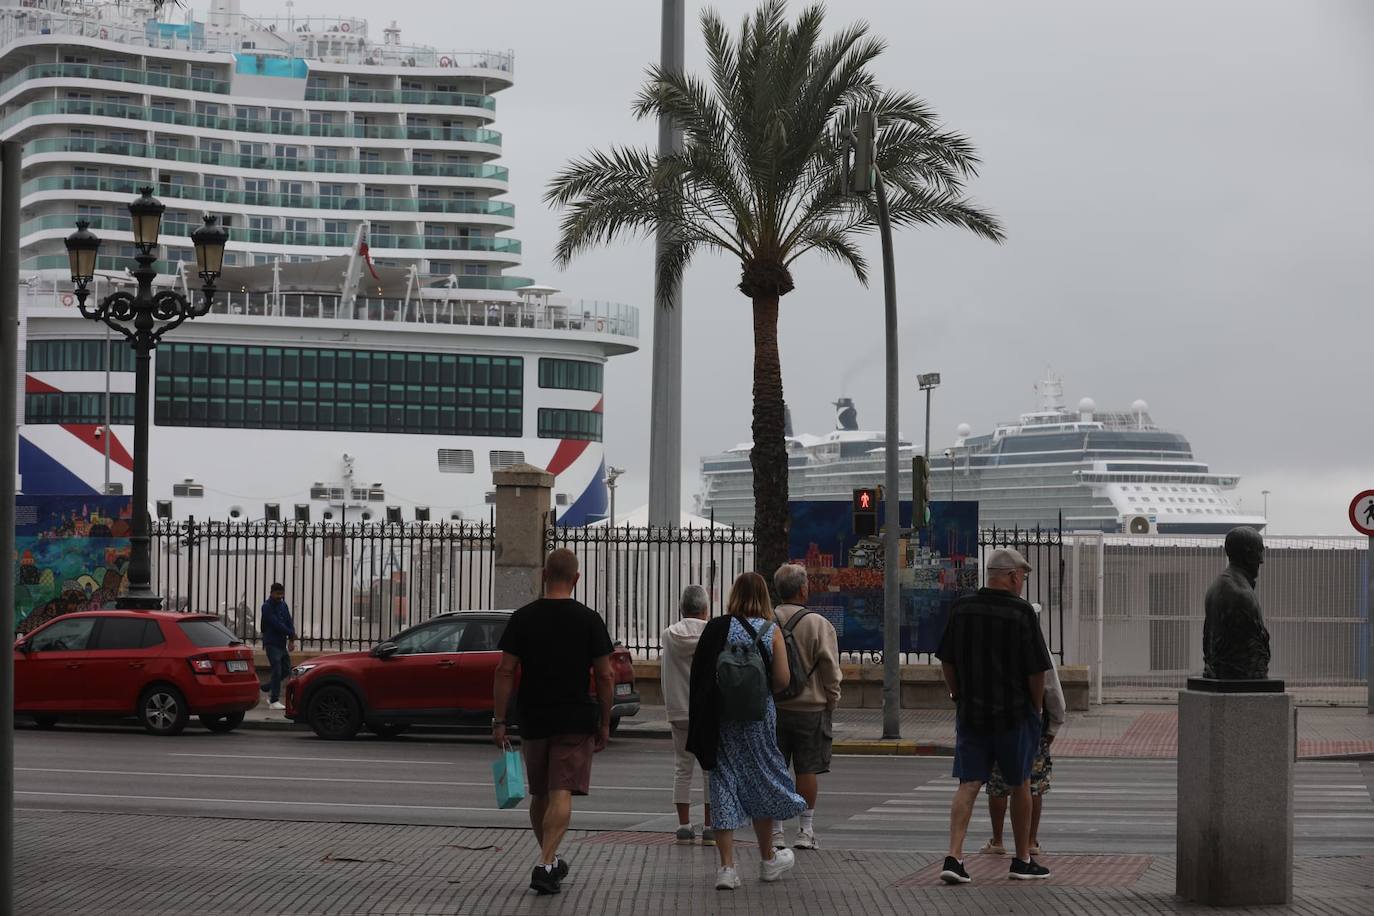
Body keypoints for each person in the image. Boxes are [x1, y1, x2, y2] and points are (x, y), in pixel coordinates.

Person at [492, 549, 614, 896]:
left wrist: (499, 720)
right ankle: (546, 863)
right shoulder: (589, 620)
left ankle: (549, 858)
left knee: (540, 793)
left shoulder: (523, 618)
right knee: (561, 792)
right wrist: (605, 720)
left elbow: (504, 670)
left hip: (533, 715)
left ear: (544, 574)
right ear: (576, 579)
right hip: (575, 717)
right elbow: (605, 675)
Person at [936, 548, 1053, 884]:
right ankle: (1021, 859)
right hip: (1014, 715)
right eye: (1023, 577)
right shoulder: (1021, 612)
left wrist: (957, 694)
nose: (1022, 583)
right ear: (1013, 576)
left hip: (972, 713)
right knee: (1020, 784)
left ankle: (954, 857)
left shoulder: (962, 608)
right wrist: (1036, 708)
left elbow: (947, 659)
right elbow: (1036, 670)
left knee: (968, 783)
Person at [687, 572, 806, 891]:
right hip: (758, 718)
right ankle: (768, 860)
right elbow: (782, 679)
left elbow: (700, 674)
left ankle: (727, 868)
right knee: (762, 780)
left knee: (723, 782)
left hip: (723, 718)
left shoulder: (718, 628)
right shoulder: (771, 631)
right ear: (765, 597)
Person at [980, 605, 1065, 858]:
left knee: (997, 784)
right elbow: (1053, 691)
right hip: (1030, 725)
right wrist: (1053, 725)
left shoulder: (991, 648)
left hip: (996, 723)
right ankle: (1030, 841)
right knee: (1033, 785)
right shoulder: (1039, 650)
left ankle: (997, 840)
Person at [770, 563, 841, 851]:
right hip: (811, 708)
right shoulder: (818, 623)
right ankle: (805, 830)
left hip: (774, 707)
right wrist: (831, 700)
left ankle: (775, 831)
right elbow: (830, 669)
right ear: (802, 589)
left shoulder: (767, 620)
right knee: (807, 769)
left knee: (774, 769)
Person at [661, 584, 713, 844]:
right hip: (705, 711)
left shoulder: (668, 635)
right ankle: (710, 826)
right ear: (705, 609)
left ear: (682, 608)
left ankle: (683, 825)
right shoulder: (712, 633)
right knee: (709, 769)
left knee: (682, 768)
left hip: (678, 709)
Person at [259, 583, 295, 710]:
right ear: (271, 593)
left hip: (281, 643)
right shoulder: (266, 607)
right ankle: (273, 699)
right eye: (278, 594)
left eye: (282, 594)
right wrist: (291, 633)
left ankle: (267, 687)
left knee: (286, 669)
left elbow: (288, 621)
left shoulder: (283, 605)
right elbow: (276, 624)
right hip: (271, 643)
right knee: (277, 670)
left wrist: (291, 639)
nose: (280, 596)